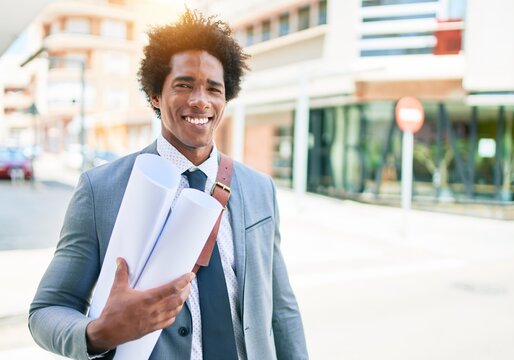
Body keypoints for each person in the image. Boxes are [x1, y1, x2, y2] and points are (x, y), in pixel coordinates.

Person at [29, 9, 308, 360]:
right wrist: (99, 332)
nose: (200, 101)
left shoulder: (258, 189)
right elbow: (47, 310)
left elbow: (281, 311)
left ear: (226, 98)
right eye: (184, 84)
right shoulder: (100, 189)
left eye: (213, 89)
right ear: (155, 96)